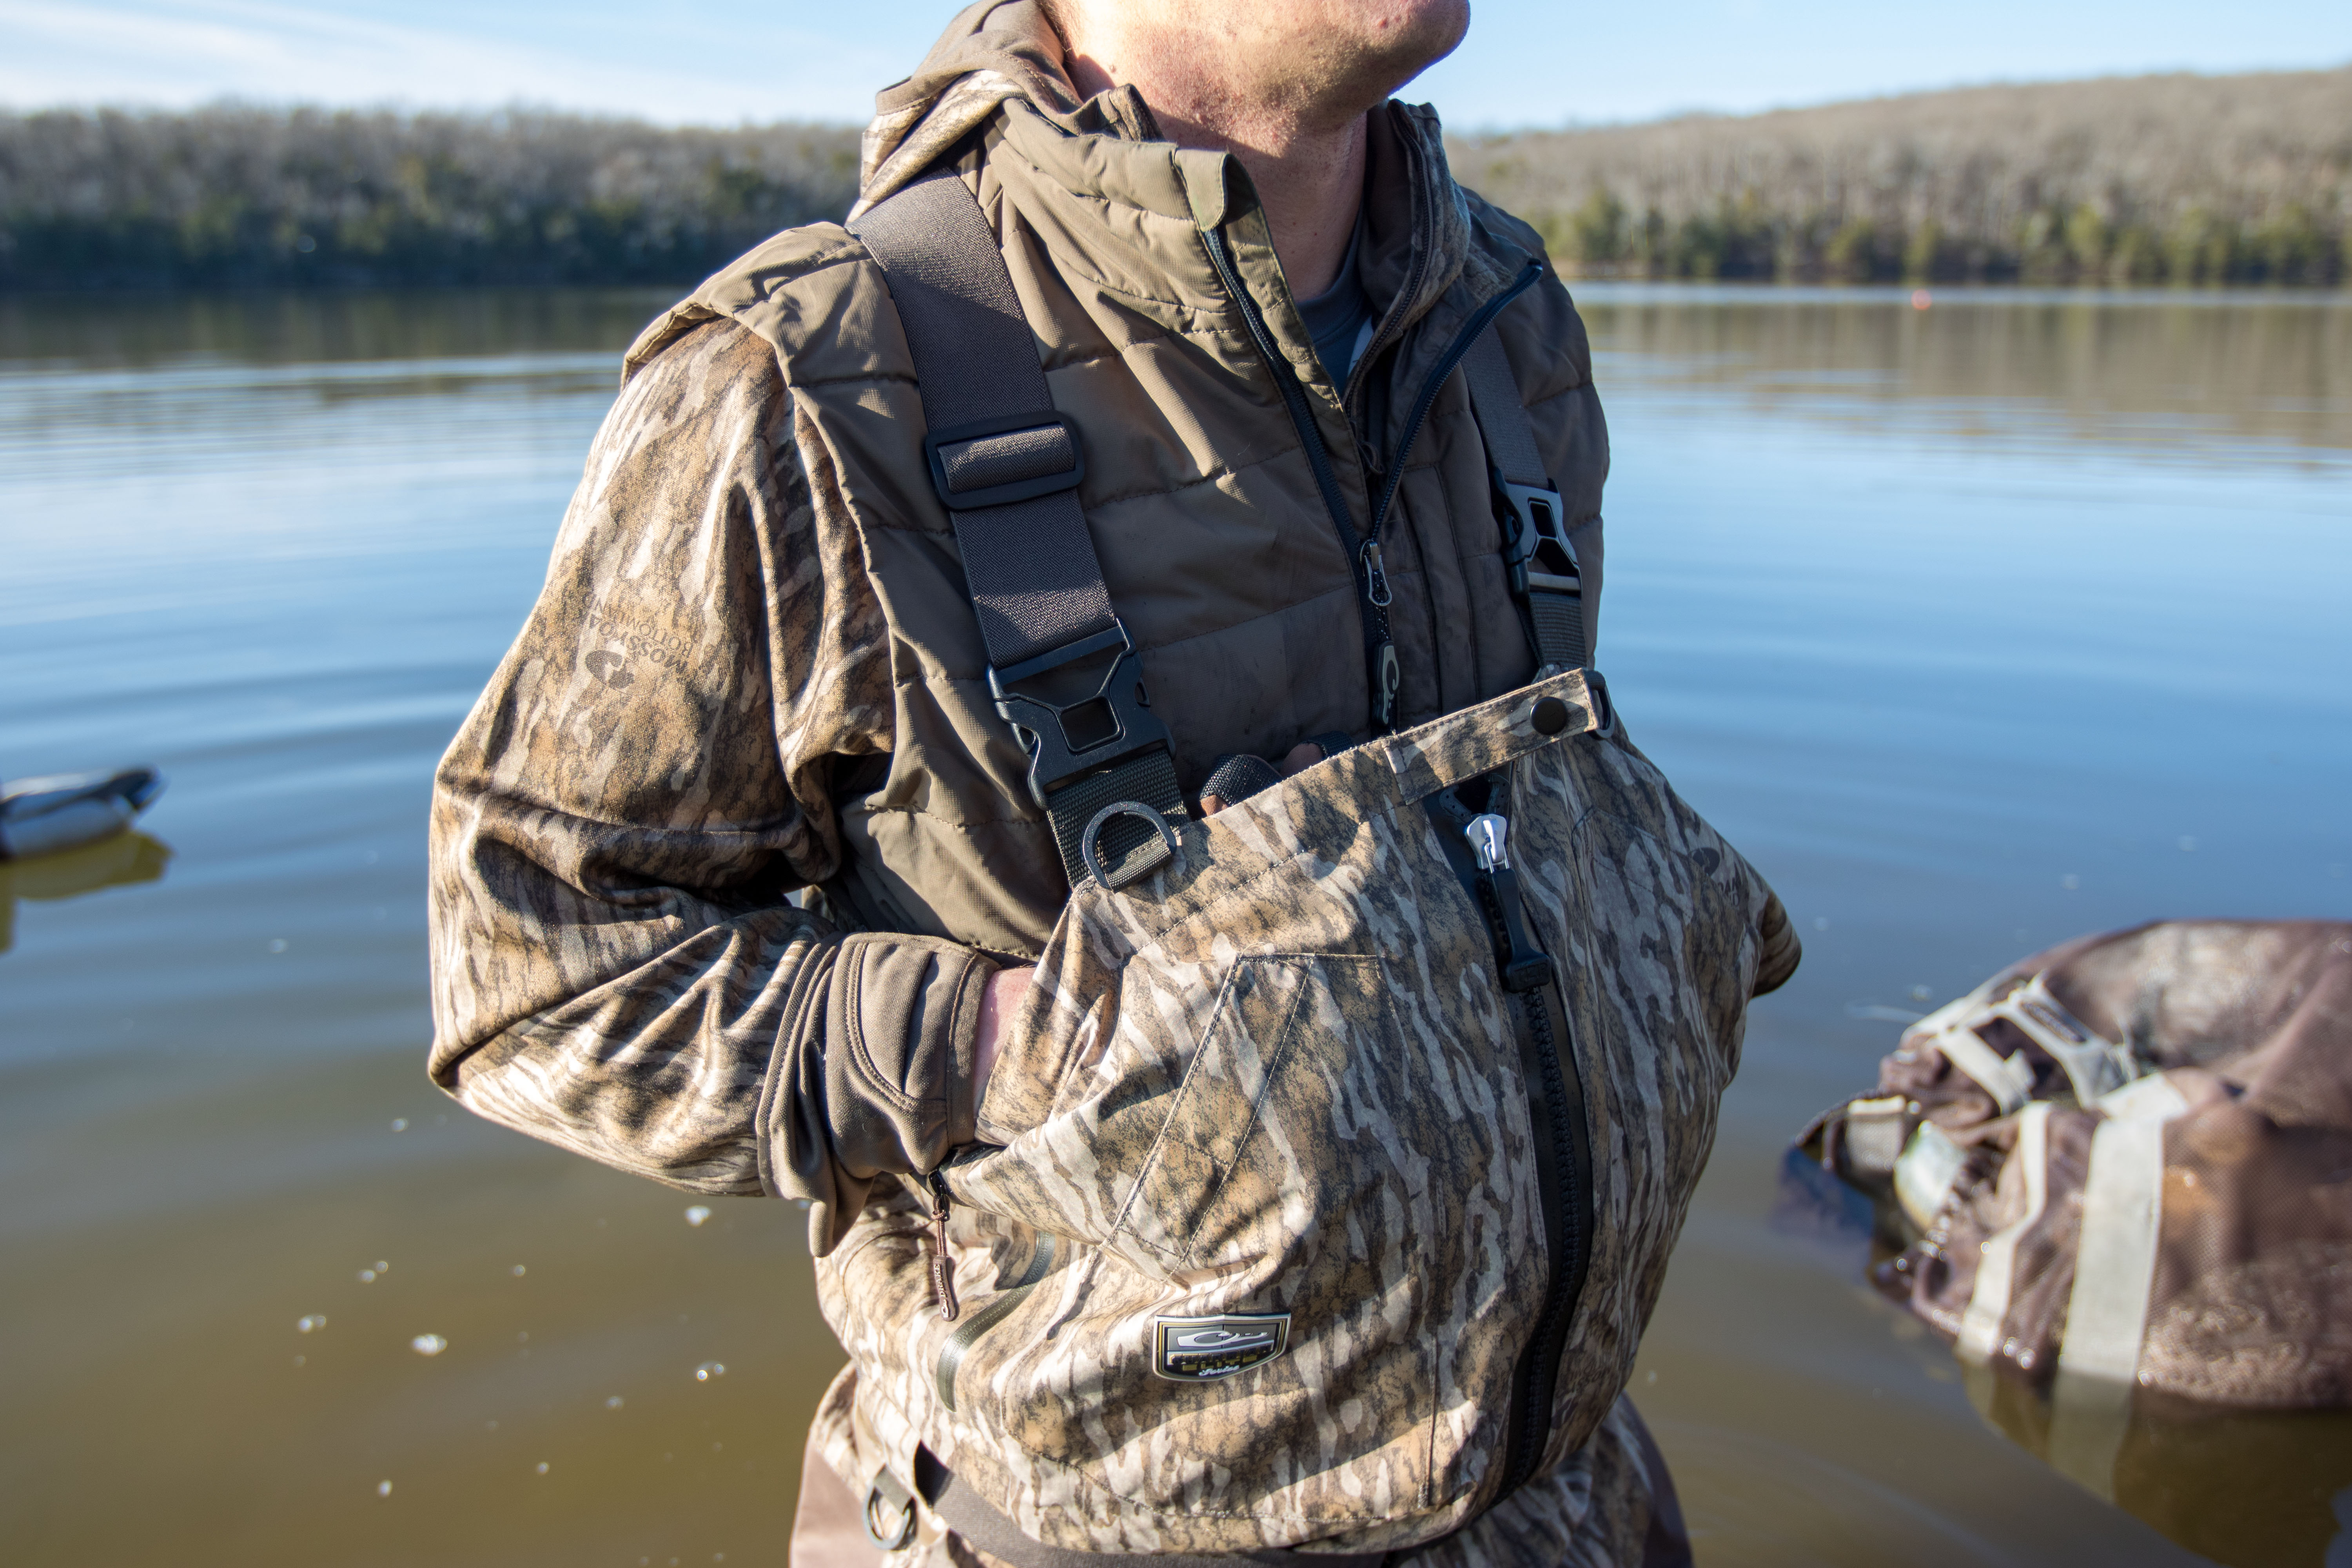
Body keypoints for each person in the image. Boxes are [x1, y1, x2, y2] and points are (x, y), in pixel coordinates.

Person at [428, 2, 1798, 1563]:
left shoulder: (1508, 320)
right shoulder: (806, 378)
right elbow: (529, 976)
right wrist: (1021, 1039)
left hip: (1568, 1494)